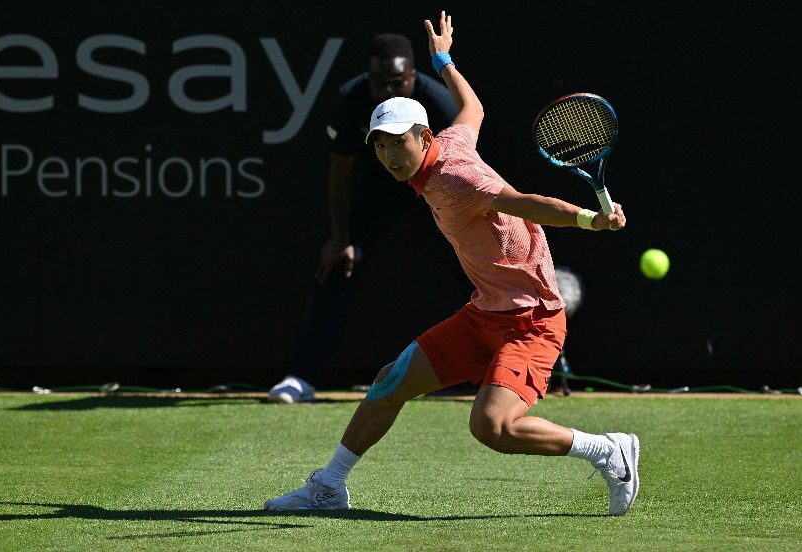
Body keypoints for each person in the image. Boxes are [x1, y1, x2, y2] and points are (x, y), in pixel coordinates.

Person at [264, 11, 639, 516]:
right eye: (380, 146)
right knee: (390, 382)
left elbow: (527, 203)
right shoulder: (451, 141)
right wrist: (443, 59)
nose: (391, 156)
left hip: (531, 321)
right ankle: (329, 486)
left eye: (399, 143)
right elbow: (473, 107)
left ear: (422, 136)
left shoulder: (456, 178)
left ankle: (609, 450)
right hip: (485, 312)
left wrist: (593, 220)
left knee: (493, 427)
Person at [268, 32, 461, 403]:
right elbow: (339, 169)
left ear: (412, 77)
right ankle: (300, 377)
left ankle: (500, 370)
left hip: (435, 189)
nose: (388, 90)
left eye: (397, 82)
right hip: (374, 194)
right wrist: (341, 236)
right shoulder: (350, 100)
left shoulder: (439, 103)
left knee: (474, 265)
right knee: (339, 264)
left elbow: (463, 163)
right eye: (379, 82)